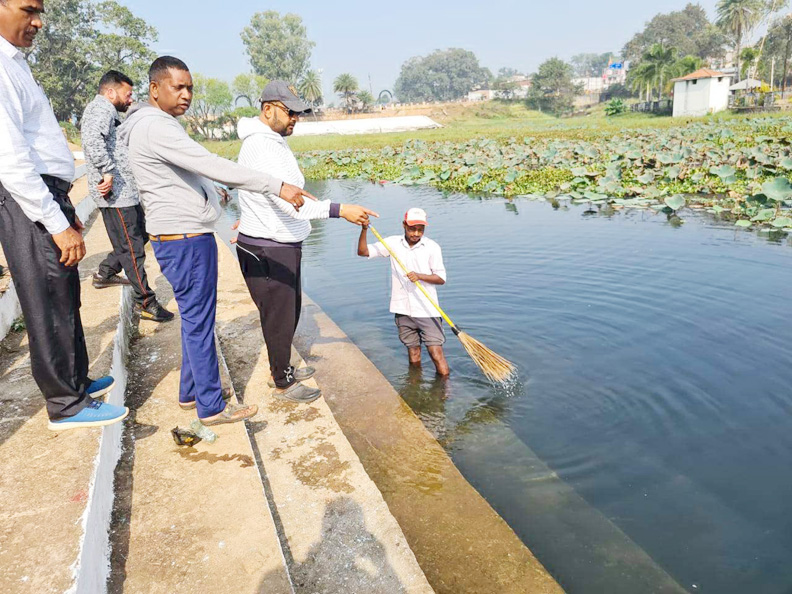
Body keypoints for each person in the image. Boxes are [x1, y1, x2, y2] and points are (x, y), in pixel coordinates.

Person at [118, 56, 315, 426]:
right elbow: (208, 162)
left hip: (182, 232)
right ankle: (212, 407)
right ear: (154, 89)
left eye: (190, 87)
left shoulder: (157, 124)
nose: (187, 94)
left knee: (197, 319)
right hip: (185, 237)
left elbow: (191, 170)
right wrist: (276, 185)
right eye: (178, 87)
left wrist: (211, 193)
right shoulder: (156, 127)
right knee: (198, 321)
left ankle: (192, 392)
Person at [0, 0, 126, 430]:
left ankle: (77, 383)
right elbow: (11, 160)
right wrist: (55, 221)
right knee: (46, 299)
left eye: (40, 11)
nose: (37, 21)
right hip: (27, 198)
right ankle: (65, 404)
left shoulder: (16, 63)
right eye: (27, 9)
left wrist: (64, 211)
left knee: (65, 293)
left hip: (49, 193)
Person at [235, 80, 377, 403]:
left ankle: (282, 366)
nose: (295, 119)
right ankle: (282, 381)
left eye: (298, 113)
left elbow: (287, 190)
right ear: (267, 108)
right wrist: (341, 210)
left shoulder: (273, 140)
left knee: (290, 311)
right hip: (268, 247)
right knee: (278, 316)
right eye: (290, 112)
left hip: (281, 241)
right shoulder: (260, 146)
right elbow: (289, 202)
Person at [81, 70, 174, 322]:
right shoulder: (100, 109)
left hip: (125, 193)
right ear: (110, 92)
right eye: (127, 93)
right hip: (116, 194)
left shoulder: (108, 112)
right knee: (133, 248)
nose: (130, 99)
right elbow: (91, 140)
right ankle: (145, 301)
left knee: (138, 237)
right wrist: (108, 172)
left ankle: (105, 272)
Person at [357, 208, 450, 376]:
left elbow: (441, 278)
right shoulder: (392, 243)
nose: (416, 233)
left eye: (420, 229)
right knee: (413, 352)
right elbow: (363, 252)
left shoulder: (432, 247)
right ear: (404, 225)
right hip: (402, 309)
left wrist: (420, 276)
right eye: (412, 228)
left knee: (436, 353)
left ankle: (445, 390)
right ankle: (414, 385)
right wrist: (364, 230)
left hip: (427, 310)